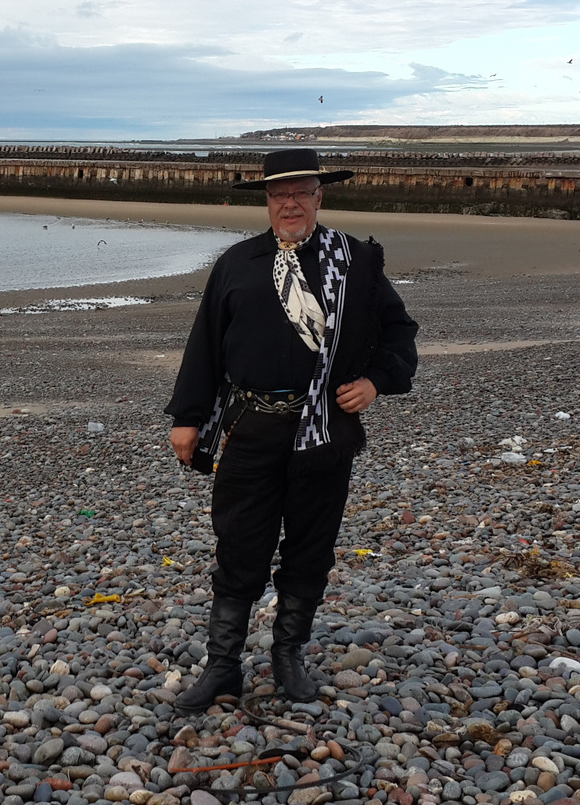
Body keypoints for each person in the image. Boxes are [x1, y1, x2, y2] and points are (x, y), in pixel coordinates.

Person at [164, 148, 418, 711]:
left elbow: (399, 331)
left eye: (301, 192)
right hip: (251, 427)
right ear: (267, 202)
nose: (290, 203)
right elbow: (205, 343)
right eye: (279, 194)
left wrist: (376, 381)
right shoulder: (237, 263)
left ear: (319, 197)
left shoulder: (356, 262)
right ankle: (224, 666)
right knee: (239, 544)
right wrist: (187, 418)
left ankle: (288, 658)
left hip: (324, 430)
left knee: (310, 546)